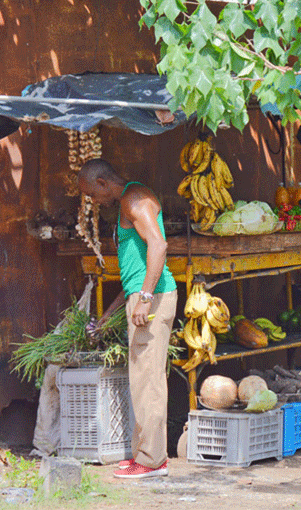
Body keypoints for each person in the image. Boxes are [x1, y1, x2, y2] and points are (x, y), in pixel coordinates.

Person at [78, 159, 178, 479]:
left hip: (154, 298)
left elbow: (159, 246)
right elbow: (135, 273)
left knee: (149, 382)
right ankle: (142, 454)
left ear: (104, 182)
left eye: (93, 194)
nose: (94, 201)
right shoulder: (128, 201)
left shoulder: (135, 199)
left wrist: (146, 298)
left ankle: (152, 461)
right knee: (141, 380)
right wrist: (110, 314)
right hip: (143, 296)